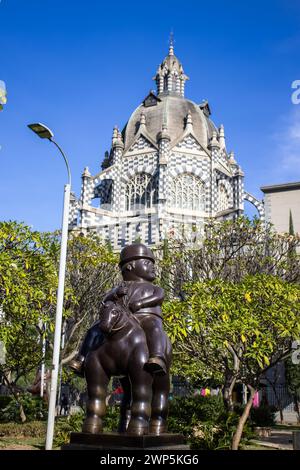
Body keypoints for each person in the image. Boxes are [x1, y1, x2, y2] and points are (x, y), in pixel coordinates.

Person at [69, 243, 168, 376]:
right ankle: (81, 358)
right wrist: (115, 294)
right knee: (93, 330)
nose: (152, 267)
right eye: (147, 263)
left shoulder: (154, 288)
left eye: (152, 263)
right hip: (122, 320)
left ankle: (157, 356)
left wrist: (140, 303)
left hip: (147, 317)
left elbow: (159, 297)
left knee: (155, 329)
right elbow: (105, 302)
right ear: (130, 266)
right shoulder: (119, 288)